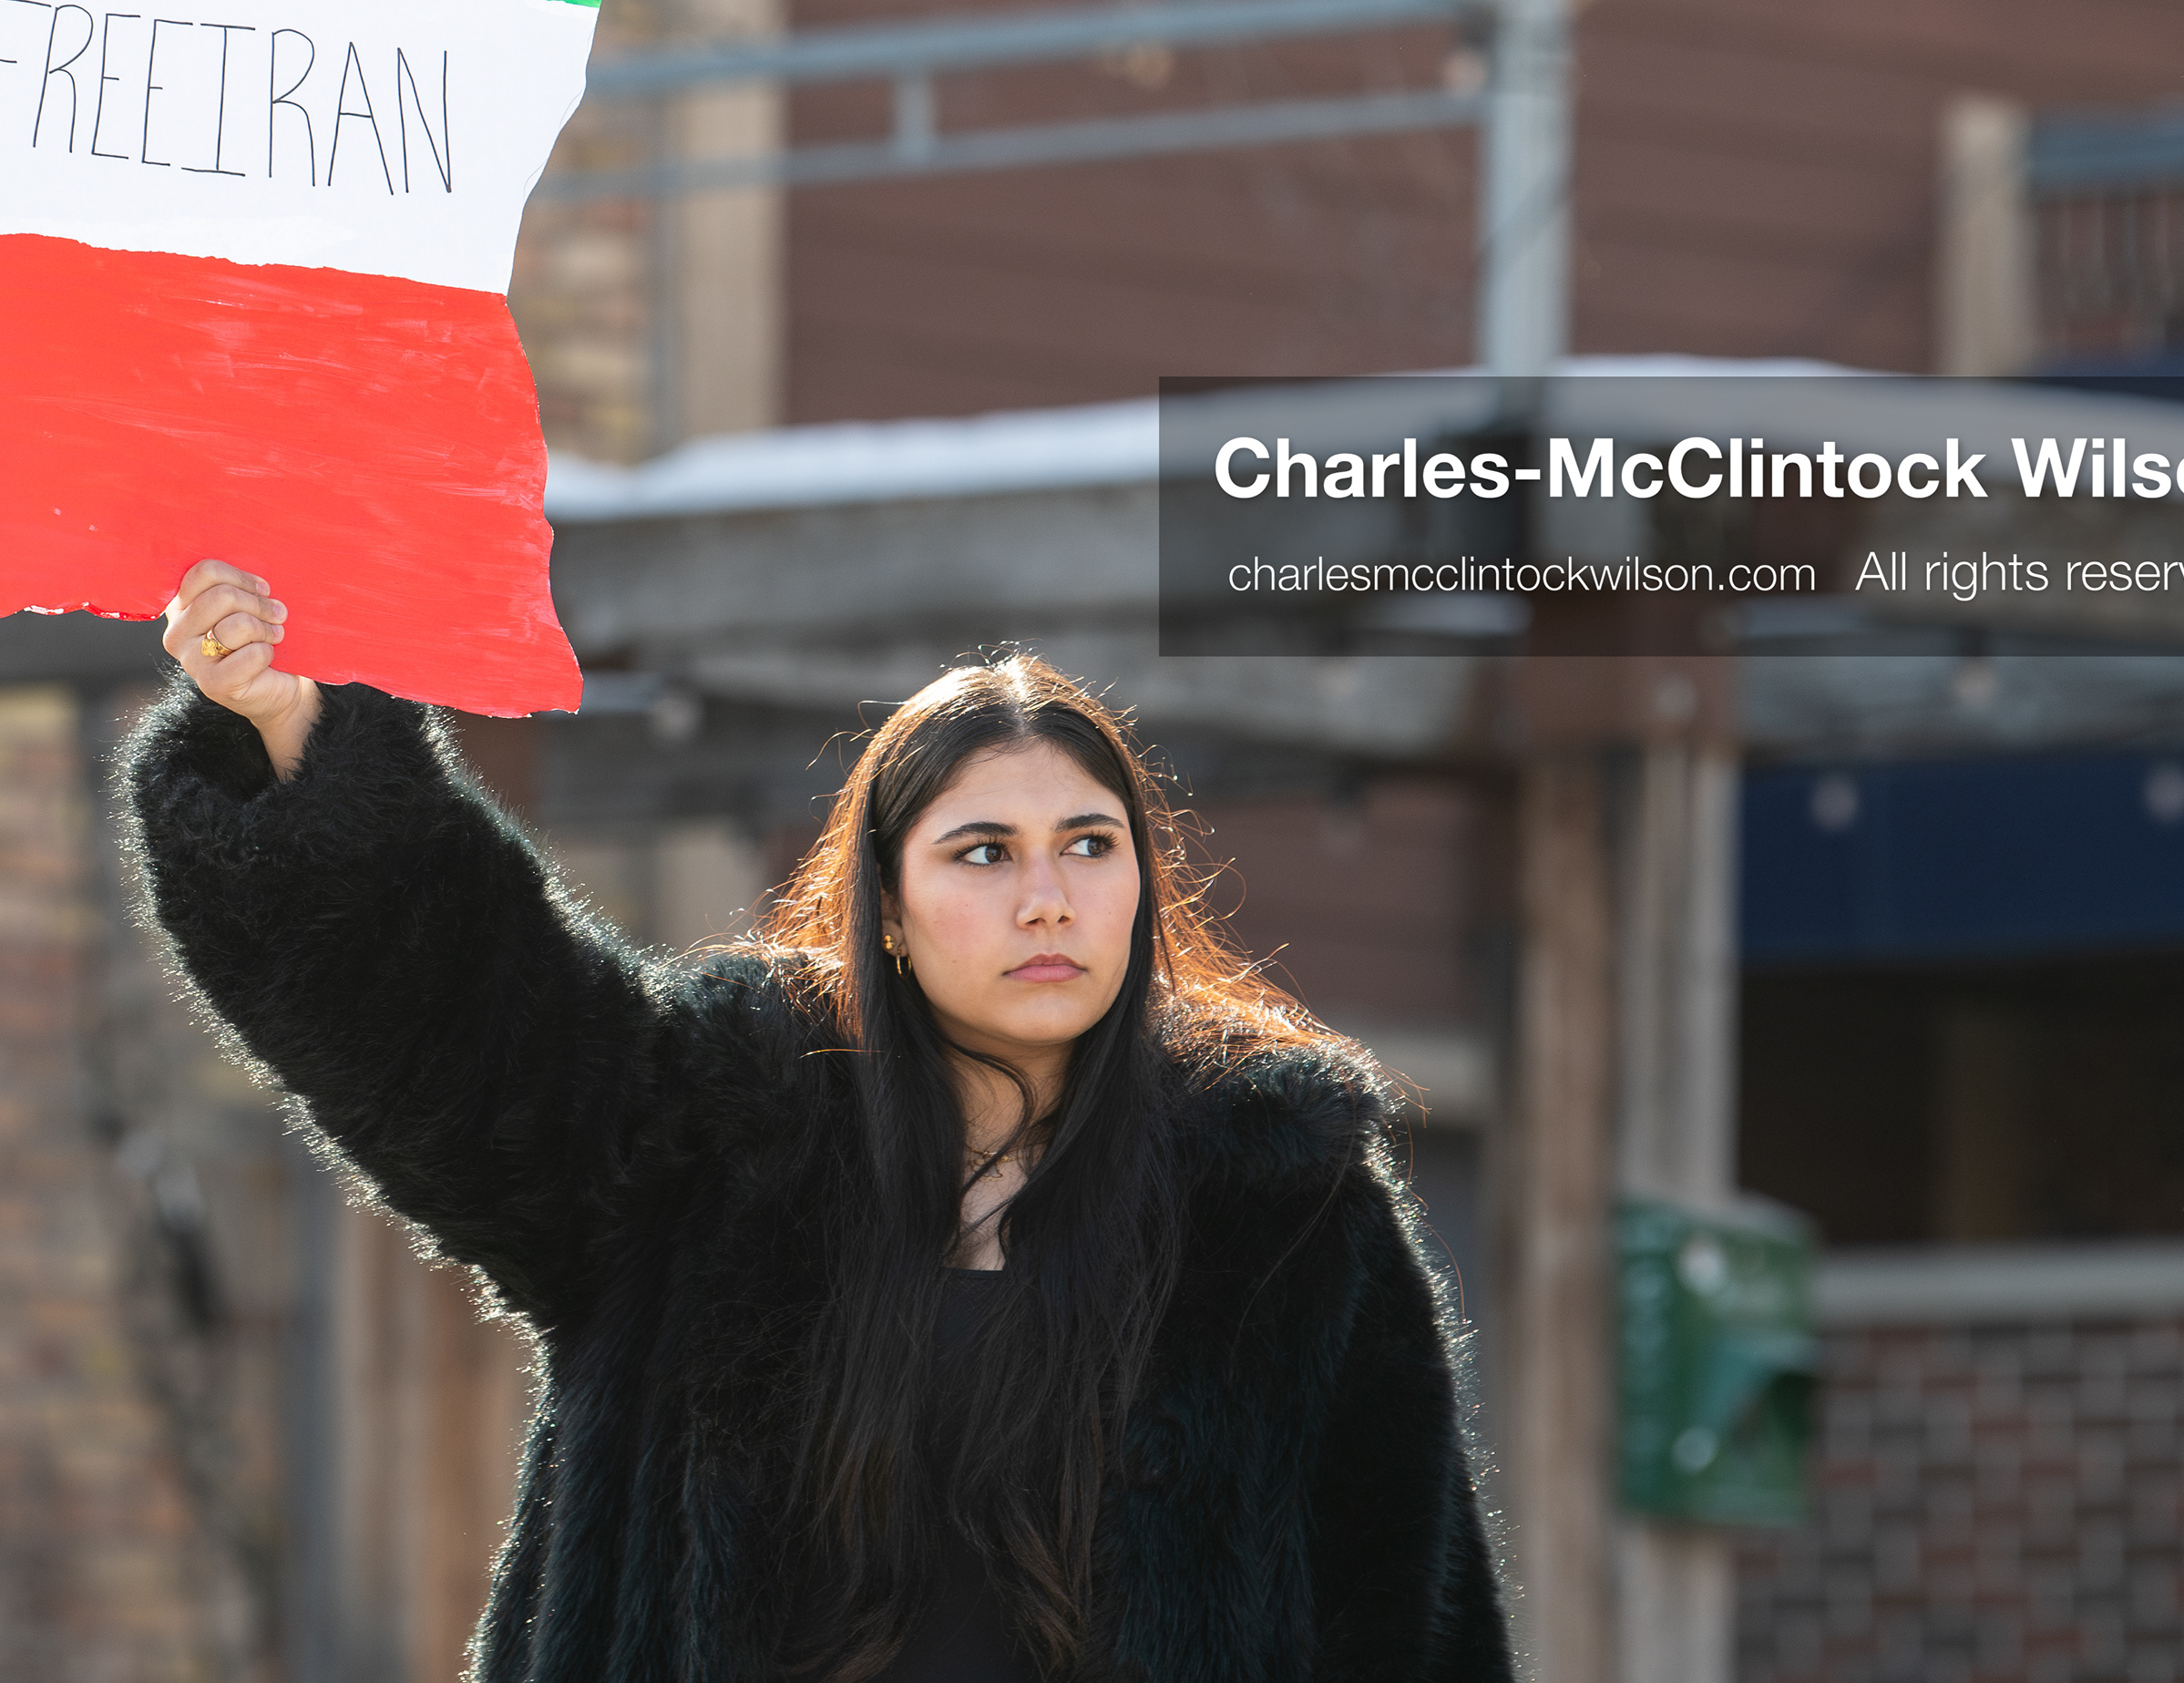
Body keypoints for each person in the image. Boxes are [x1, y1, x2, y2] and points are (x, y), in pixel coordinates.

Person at [129, 559, 1512, 1683]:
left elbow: (1411, 1625)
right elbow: (453, 1014)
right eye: (983, 852)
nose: (1049, 899)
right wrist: (295, 730)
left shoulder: (1281, 1214)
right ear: (889, 910)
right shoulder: (708, 1147)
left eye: (1091, 846)